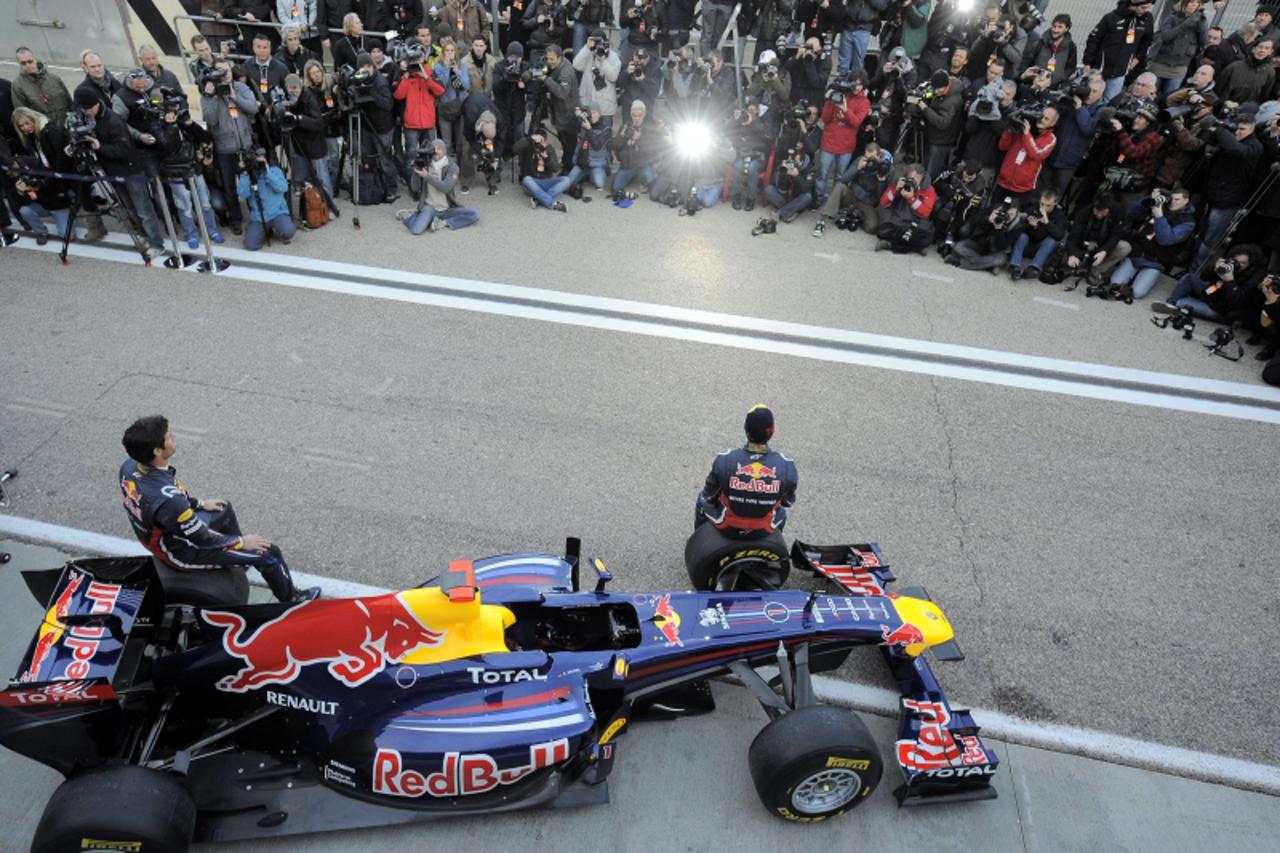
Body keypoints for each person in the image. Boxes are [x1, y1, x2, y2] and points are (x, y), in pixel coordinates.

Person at [119, 415, 318, 603]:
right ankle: (293, 600)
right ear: (157, 451)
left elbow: (168, 500)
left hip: (167, 532)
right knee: (267, 553)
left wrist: (200, 504)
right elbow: (200, 538)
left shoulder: (130, 467)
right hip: (181, 552)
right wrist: (240, 542)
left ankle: (241, 562)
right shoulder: (169, 501)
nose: (173, 436)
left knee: (222, 508)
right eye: (168, 436)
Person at [695, 405, 798, 538]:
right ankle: (775, 538)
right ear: (772, 431)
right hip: (764, 529)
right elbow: (787, 502)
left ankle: (698, 539)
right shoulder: (787, 465)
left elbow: (709, 496)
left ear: (746, 430)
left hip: (728, 526)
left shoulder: (725, 459)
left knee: (701, 500)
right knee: (782, 510)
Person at [1109, 187, 1196, 299]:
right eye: (1172, 198)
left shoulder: (1188, 223)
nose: (1172, 202)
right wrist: (1149, 199)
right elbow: (1132, 212)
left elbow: (1165, 240)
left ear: (1186, 200)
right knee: (1114, 283)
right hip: (1138, 253)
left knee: (1137, 293)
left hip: (1157, 260)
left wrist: (1159, 216)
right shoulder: (1160, 204)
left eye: (1177, 199)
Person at [401, 138, 480, 232]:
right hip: (429, 207)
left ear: (444, 151)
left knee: (474, 214)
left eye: (439, 149)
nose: (436, 151)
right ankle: (409, 216)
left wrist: (427, 177)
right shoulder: (425, 164)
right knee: (416, 230)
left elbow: (446, 188)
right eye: (434, 149)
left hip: (447, 208)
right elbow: (414, 188)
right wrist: (416, 171)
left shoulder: (452, 167)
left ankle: (443, 223)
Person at [236, 149, 296, 250]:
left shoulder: (274, 170)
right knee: (250, 245)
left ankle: (272, 228)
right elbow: (242, 194)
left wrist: (268, 173)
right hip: (259, 216)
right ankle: (261, 230)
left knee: (288, 231)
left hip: (278, 212)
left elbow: (283, 187)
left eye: (260, 161)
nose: (258, 164)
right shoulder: (248, 175)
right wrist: (246, 174)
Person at [1007, 188, 1067, 280]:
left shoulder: (1059, 215)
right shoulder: (1034, 207)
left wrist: (1047, 223)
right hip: (1026, 246)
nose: (1043, 208)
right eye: (1042, 204)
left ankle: (1034, 267)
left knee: (1051, 241)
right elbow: (1019, 225)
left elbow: (1059, 235)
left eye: (1048, 205)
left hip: (1041, 249)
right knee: (1022, 235)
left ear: (1055, 203)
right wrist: (1030, 225)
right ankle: (1015, 265)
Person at [12, 47, 73, 127]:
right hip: (45, 133)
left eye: (30, 61)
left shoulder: (54, 79)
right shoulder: (18, 86)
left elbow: (70, 103)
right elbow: (23, 116)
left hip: (66, 128)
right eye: (23, 63)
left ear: (35, 59)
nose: (28, 65)